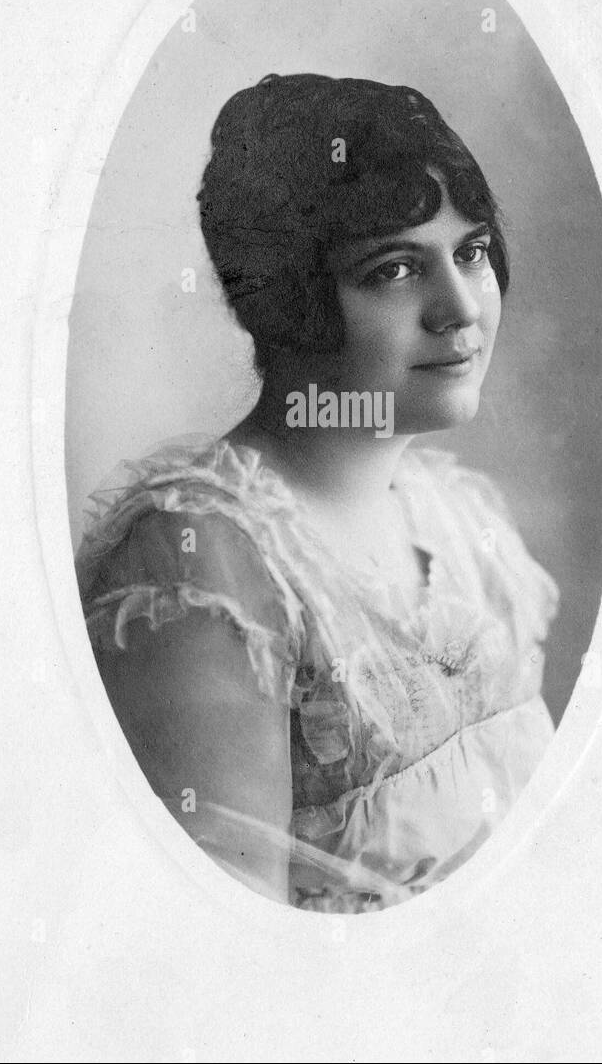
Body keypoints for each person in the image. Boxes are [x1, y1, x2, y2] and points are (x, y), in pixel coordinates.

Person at [75, 72, 559, 912]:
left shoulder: (461, 517)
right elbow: (225, 957)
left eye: (471, 253)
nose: (458, 309)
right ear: (285, 300)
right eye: (396, 268)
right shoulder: (201, 562)